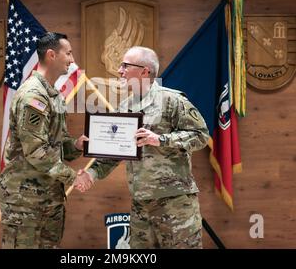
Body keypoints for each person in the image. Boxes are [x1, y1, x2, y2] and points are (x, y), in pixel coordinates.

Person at [81, 46, 210, 249]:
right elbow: (114, 151)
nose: (120, 70)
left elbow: (201, 135)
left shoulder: (172, 101)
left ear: (144, 71)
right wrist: (92, 173)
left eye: (125, 65)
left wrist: (161, 140)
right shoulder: (124, 107)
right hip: (141, 205)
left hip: (174, 202)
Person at [0, 32, 88, 249]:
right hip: (25, 202)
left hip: (49, 199)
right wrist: (72, 177)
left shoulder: (52, 95)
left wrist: (76, 145)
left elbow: (56, 144)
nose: (72, 60)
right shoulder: (33, 96)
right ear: (51, 55)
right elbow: (36, 151)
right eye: (68, 53)